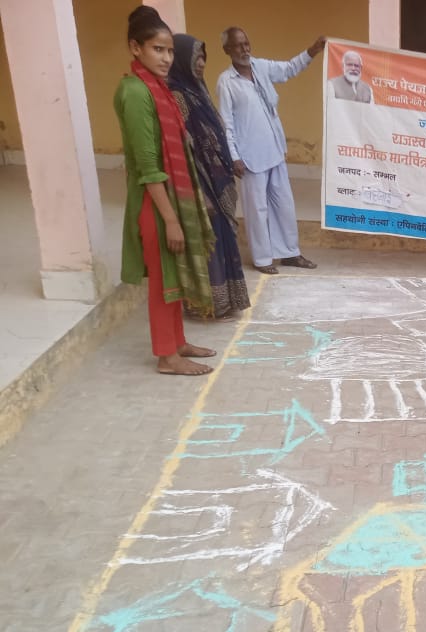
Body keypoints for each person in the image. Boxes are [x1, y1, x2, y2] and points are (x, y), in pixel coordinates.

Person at [114, 6, 217, 376]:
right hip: (154, 201)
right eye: (157, 49)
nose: (166, 58)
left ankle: (178, 341)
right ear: (135, 48)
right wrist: (171, 220)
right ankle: (167, 356)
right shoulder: (134, 92)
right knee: (163, 282)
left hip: (168, 197)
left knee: (173, 273)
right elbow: (147, 165)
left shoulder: (156, 88)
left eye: (170, 51)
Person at [216, 27, 325, 274]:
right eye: (238, 45)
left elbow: (289, 69)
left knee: (284, 205)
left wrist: (312, 51)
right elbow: (226, 124)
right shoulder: (226, 82)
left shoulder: (261, 67)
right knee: (257, 210)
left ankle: (290, 253)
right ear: (227, 50)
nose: (244, 49)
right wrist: (234, 157)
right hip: (249, 157)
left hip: (275, 150)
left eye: (246, 43)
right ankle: (263, 259)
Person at [168, 33, 250, 321]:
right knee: (209, 240)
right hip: (200, 181)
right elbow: (183, 146)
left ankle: (227, 300)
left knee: (222, 237)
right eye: (196, 58)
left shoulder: (197, 90)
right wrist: (199, 190)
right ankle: (209, 303)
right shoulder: (177, 96)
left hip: (217, 178)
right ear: (182, 60)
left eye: (203, 57)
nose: (201, 63)